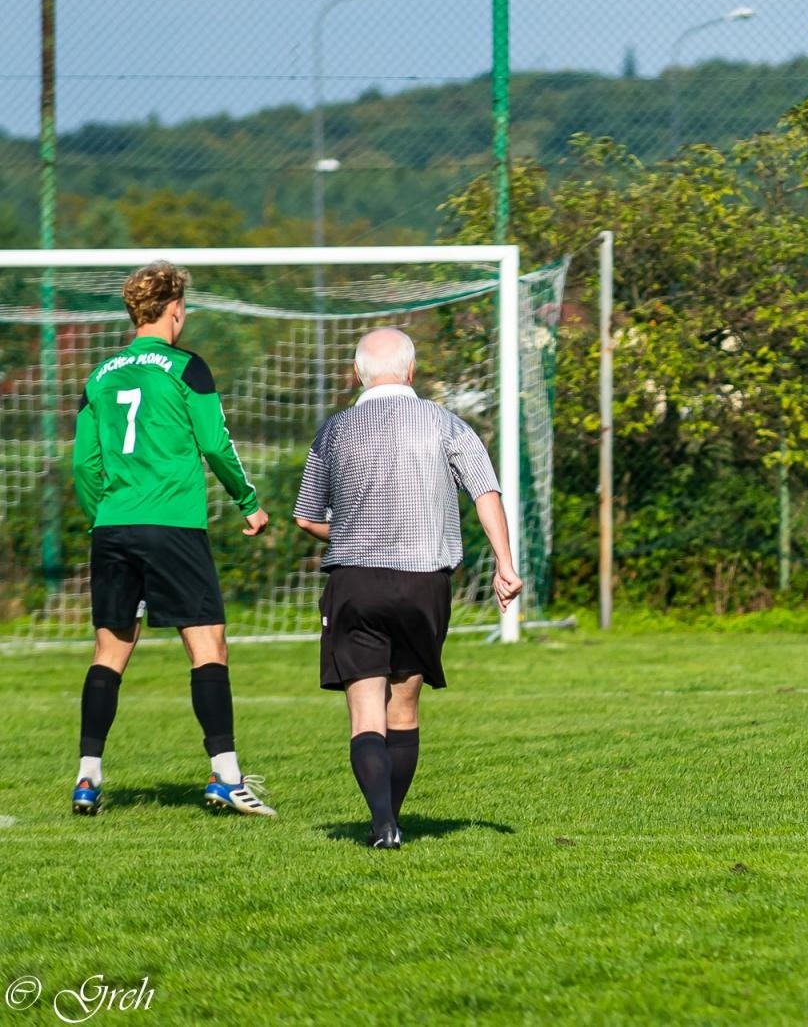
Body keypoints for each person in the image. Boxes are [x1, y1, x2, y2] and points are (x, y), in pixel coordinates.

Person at [293, 327, 522, 849]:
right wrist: (504, 564)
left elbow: (306, 517)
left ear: (357, 375)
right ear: (412, 371)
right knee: (405, 707)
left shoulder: (335, 430)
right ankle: (392, 818)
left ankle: (381, 824)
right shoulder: (447, 424)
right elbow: (486, 490)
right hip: (425, 582)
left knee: (365, 711)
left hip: (355, 580)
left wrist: (353, 528)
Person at [69, 260, 276, 817]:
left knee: (110, 651)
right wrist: (249, 503)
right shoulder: (186, 367)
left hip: (113, 525)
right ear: (176, 310)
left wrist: (106, 515)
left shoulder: (100, 375)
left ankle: (88, 777)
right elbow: (214, 442)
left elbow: (83, 463)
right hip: (173, 525)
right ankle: (226, 776)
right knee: (207, 645)